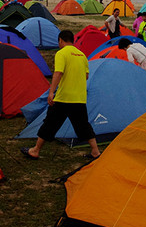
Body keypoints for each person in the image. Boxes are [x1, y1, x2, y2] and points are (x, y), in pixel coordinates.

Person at [21, 30, 101, 160]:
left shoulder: (61, 53)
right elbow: (86, 76)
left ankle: (35, 150)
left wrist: (51, 92)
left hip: (64, 97)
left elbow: (58, 73)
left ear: (61, 40)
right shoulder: (82, 55)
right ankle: (95, 152)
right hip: (79, 97)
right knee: (83, 125)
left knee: (50, 123)